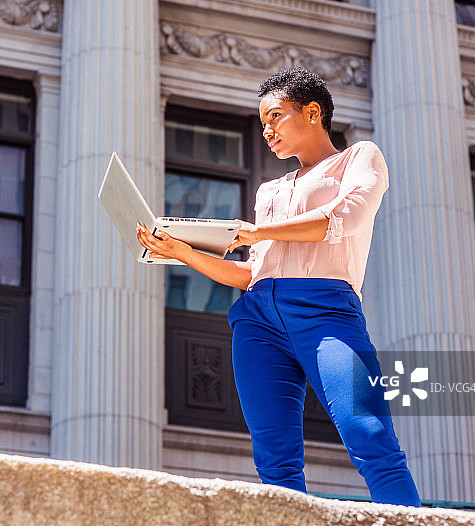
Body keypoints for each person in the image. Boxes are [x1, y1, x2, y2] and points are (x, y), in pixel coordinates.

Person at [136, 66, 422, 507]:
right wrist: (181, 252)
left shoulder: (360, 157)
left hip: (326, 311)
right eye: (262, 122)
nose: (267, 130)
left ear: (312, 112)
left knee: (370, 435)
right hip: (257, 321)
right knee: (274, 461)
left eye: (275, 117)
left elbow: (346, 219)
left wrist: (259, 233)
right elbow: (252, 273)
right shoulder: (270, 190)